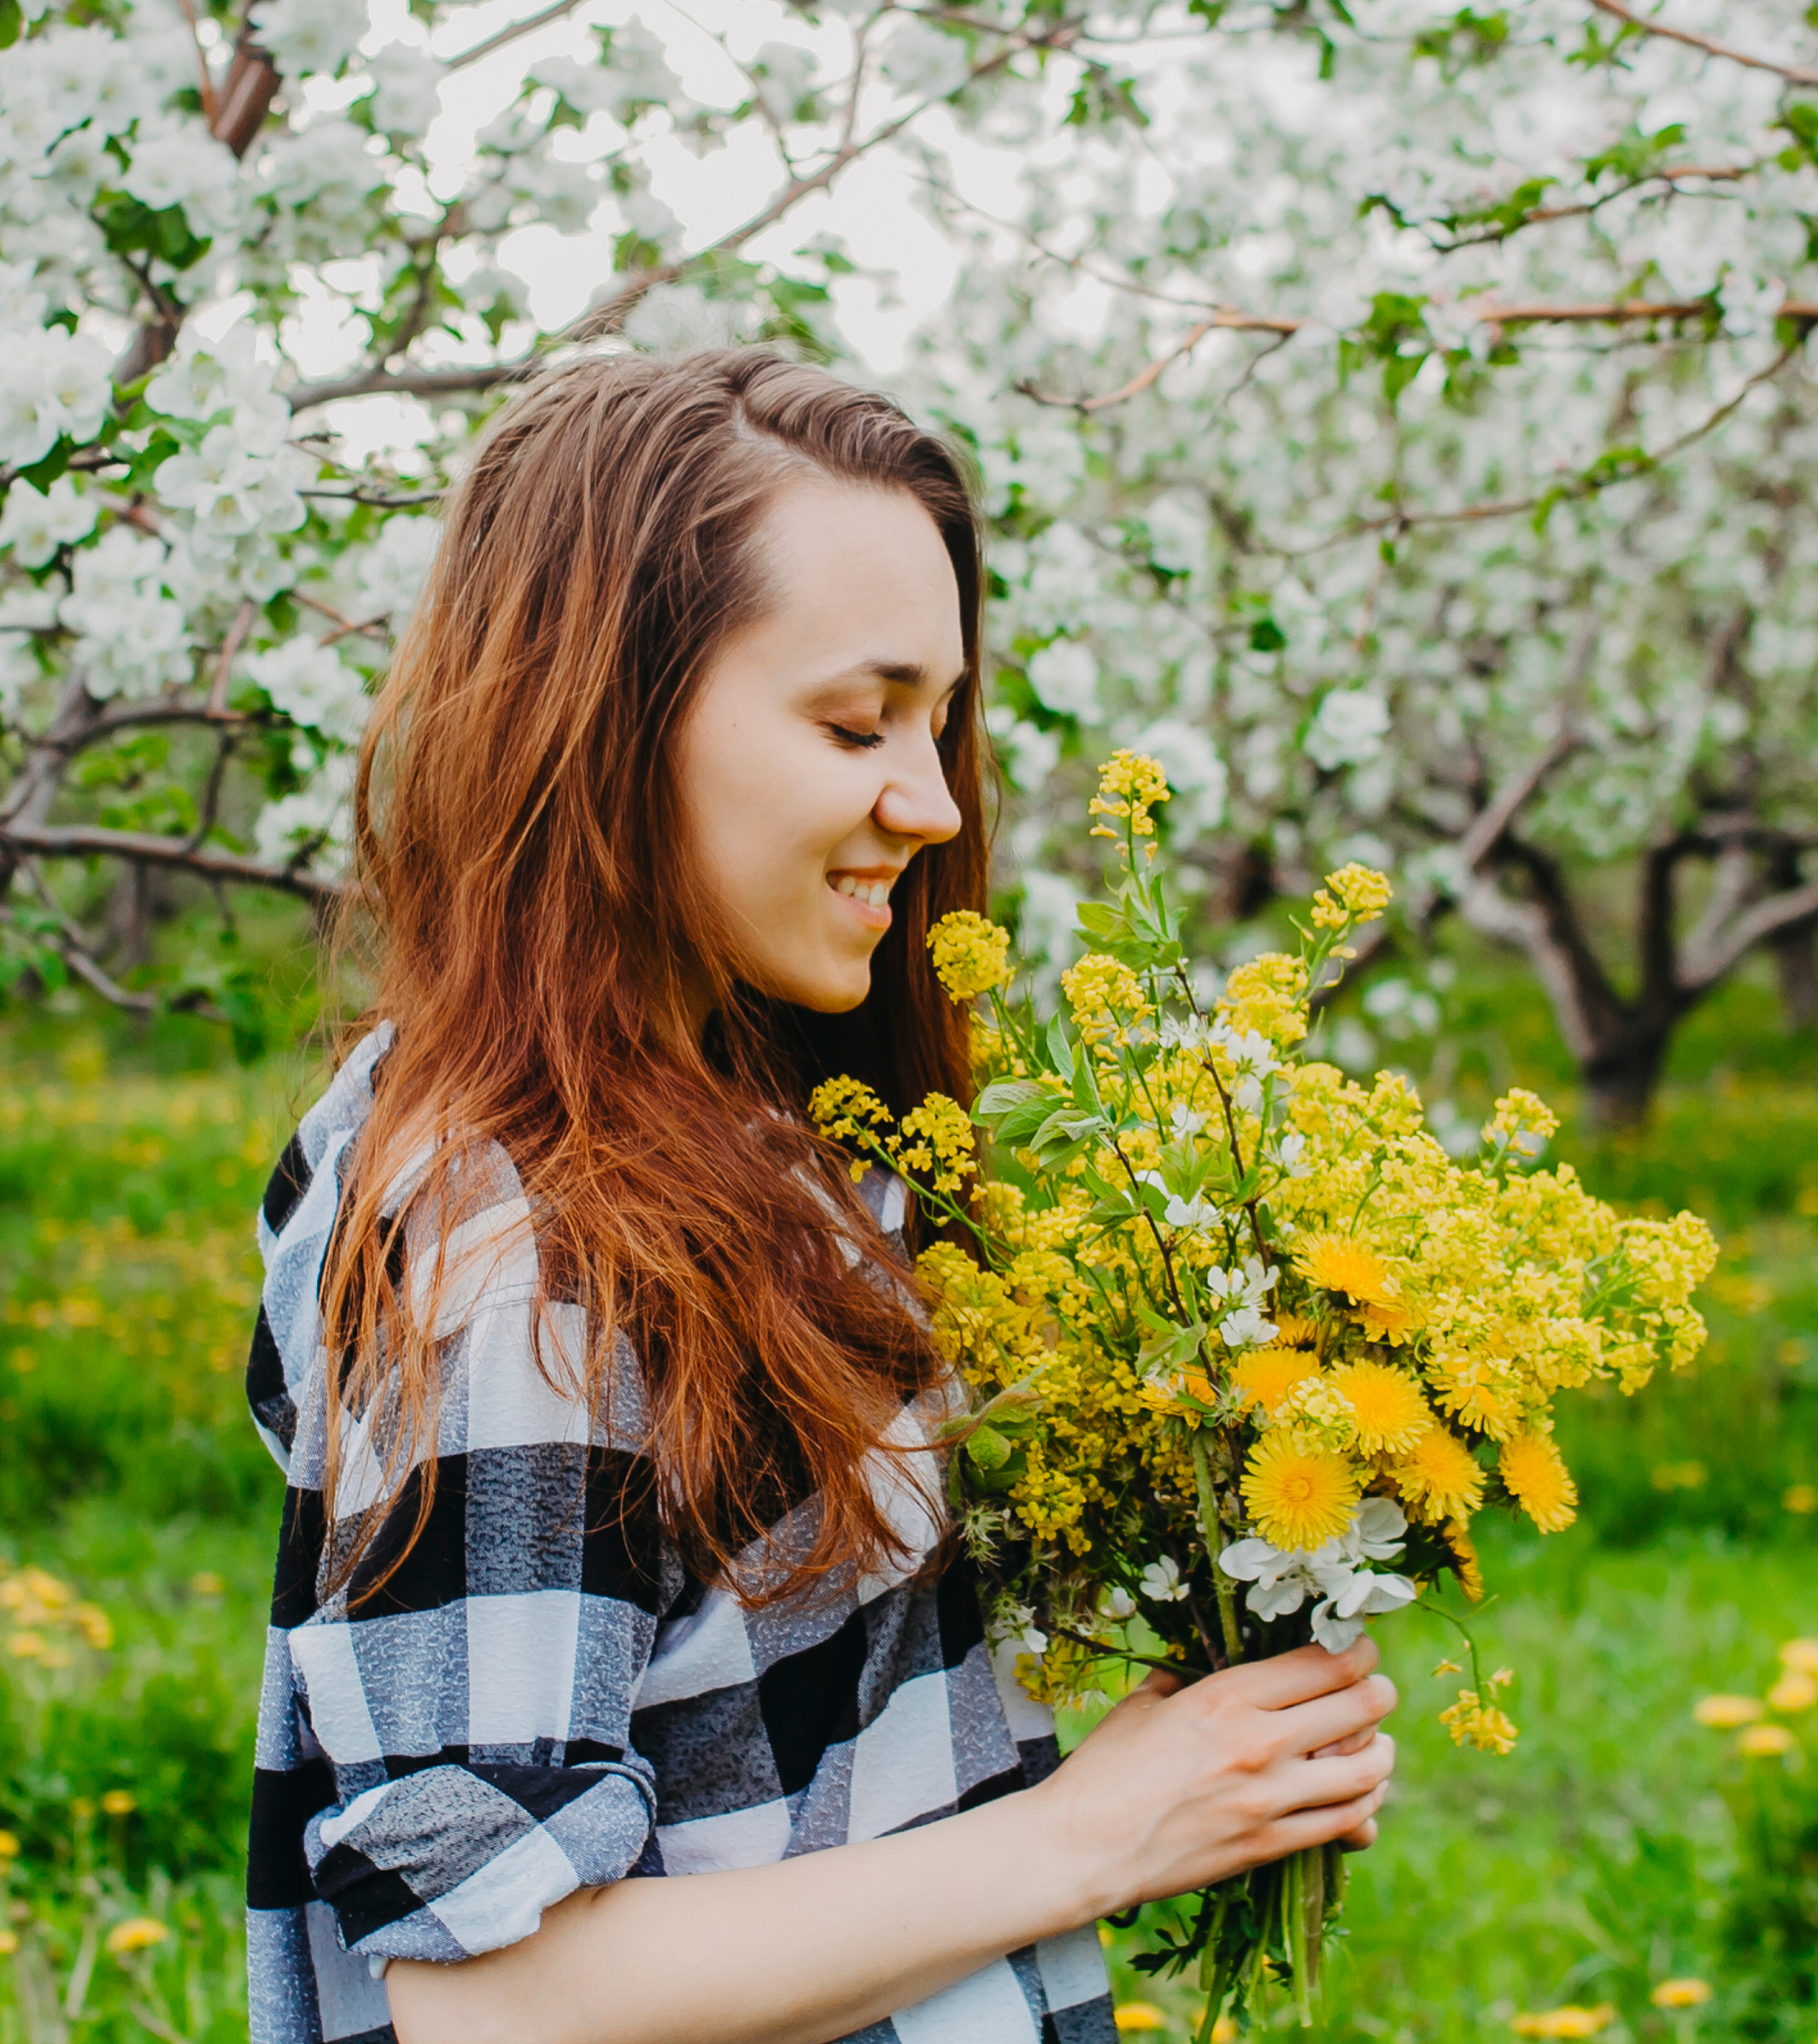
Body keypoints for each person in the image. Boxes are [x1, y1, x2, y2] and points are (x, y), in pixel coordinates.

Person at [242, 349, 1396, 2044]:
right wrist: (1095, 1832)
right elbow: (498, 1997)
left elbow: (795, 1768)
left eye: (938, 723)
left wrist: (1198, 1748)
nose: (928, 805)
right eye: (857, 724)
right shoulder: (522, 1250)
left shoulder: (757, 1127)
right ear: (604, 721)